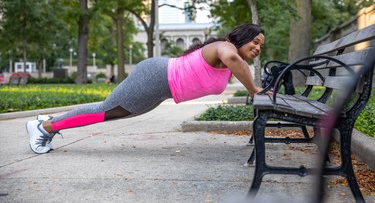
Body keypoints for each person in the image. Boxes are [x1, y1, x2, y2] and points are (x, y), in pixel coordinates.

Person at [26, 23, 267, 154]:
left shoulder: (232, 60)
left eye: (260, 46)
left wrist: (256, 88)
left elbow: (239, 66)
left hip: (161, 88)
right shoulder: (225, 48)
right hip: (156, 76)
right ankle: (44, 127)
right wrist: (254, 90)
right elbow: (235, 61)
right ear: (242, 36)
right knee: (104, 111)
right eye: (255, 41)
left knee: (112, 113)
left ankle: (49, 122)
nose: (257, 48)